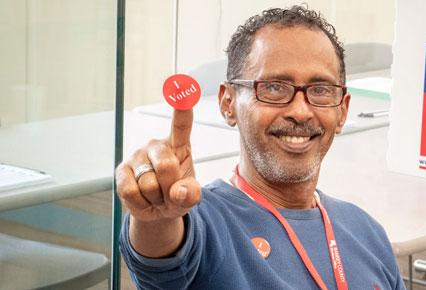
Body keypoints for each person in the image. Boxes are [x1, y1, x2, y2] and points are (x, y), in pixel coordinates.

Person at [117, 5, 406, 290]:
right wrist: (156, 217)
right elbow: (162, 257)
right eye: (274, 87)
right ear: (228, 103)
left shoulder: (368, 233)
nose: (301, 112)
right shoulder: (205, 222)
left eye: (320, 90)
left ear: (342, 111)